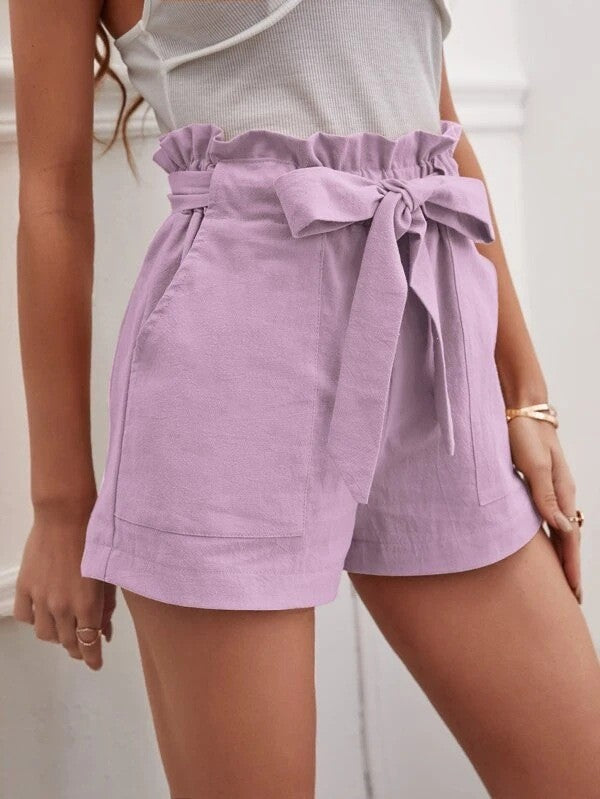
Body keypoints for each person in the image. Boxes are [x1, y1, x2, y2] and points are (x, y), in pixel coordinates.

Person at [9, 1, 600, 797]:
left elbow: (437, 128)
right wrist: (59, 506)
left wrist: (524, 396)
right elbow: (51, 196)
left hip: (432, 345)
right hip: (231, 369)